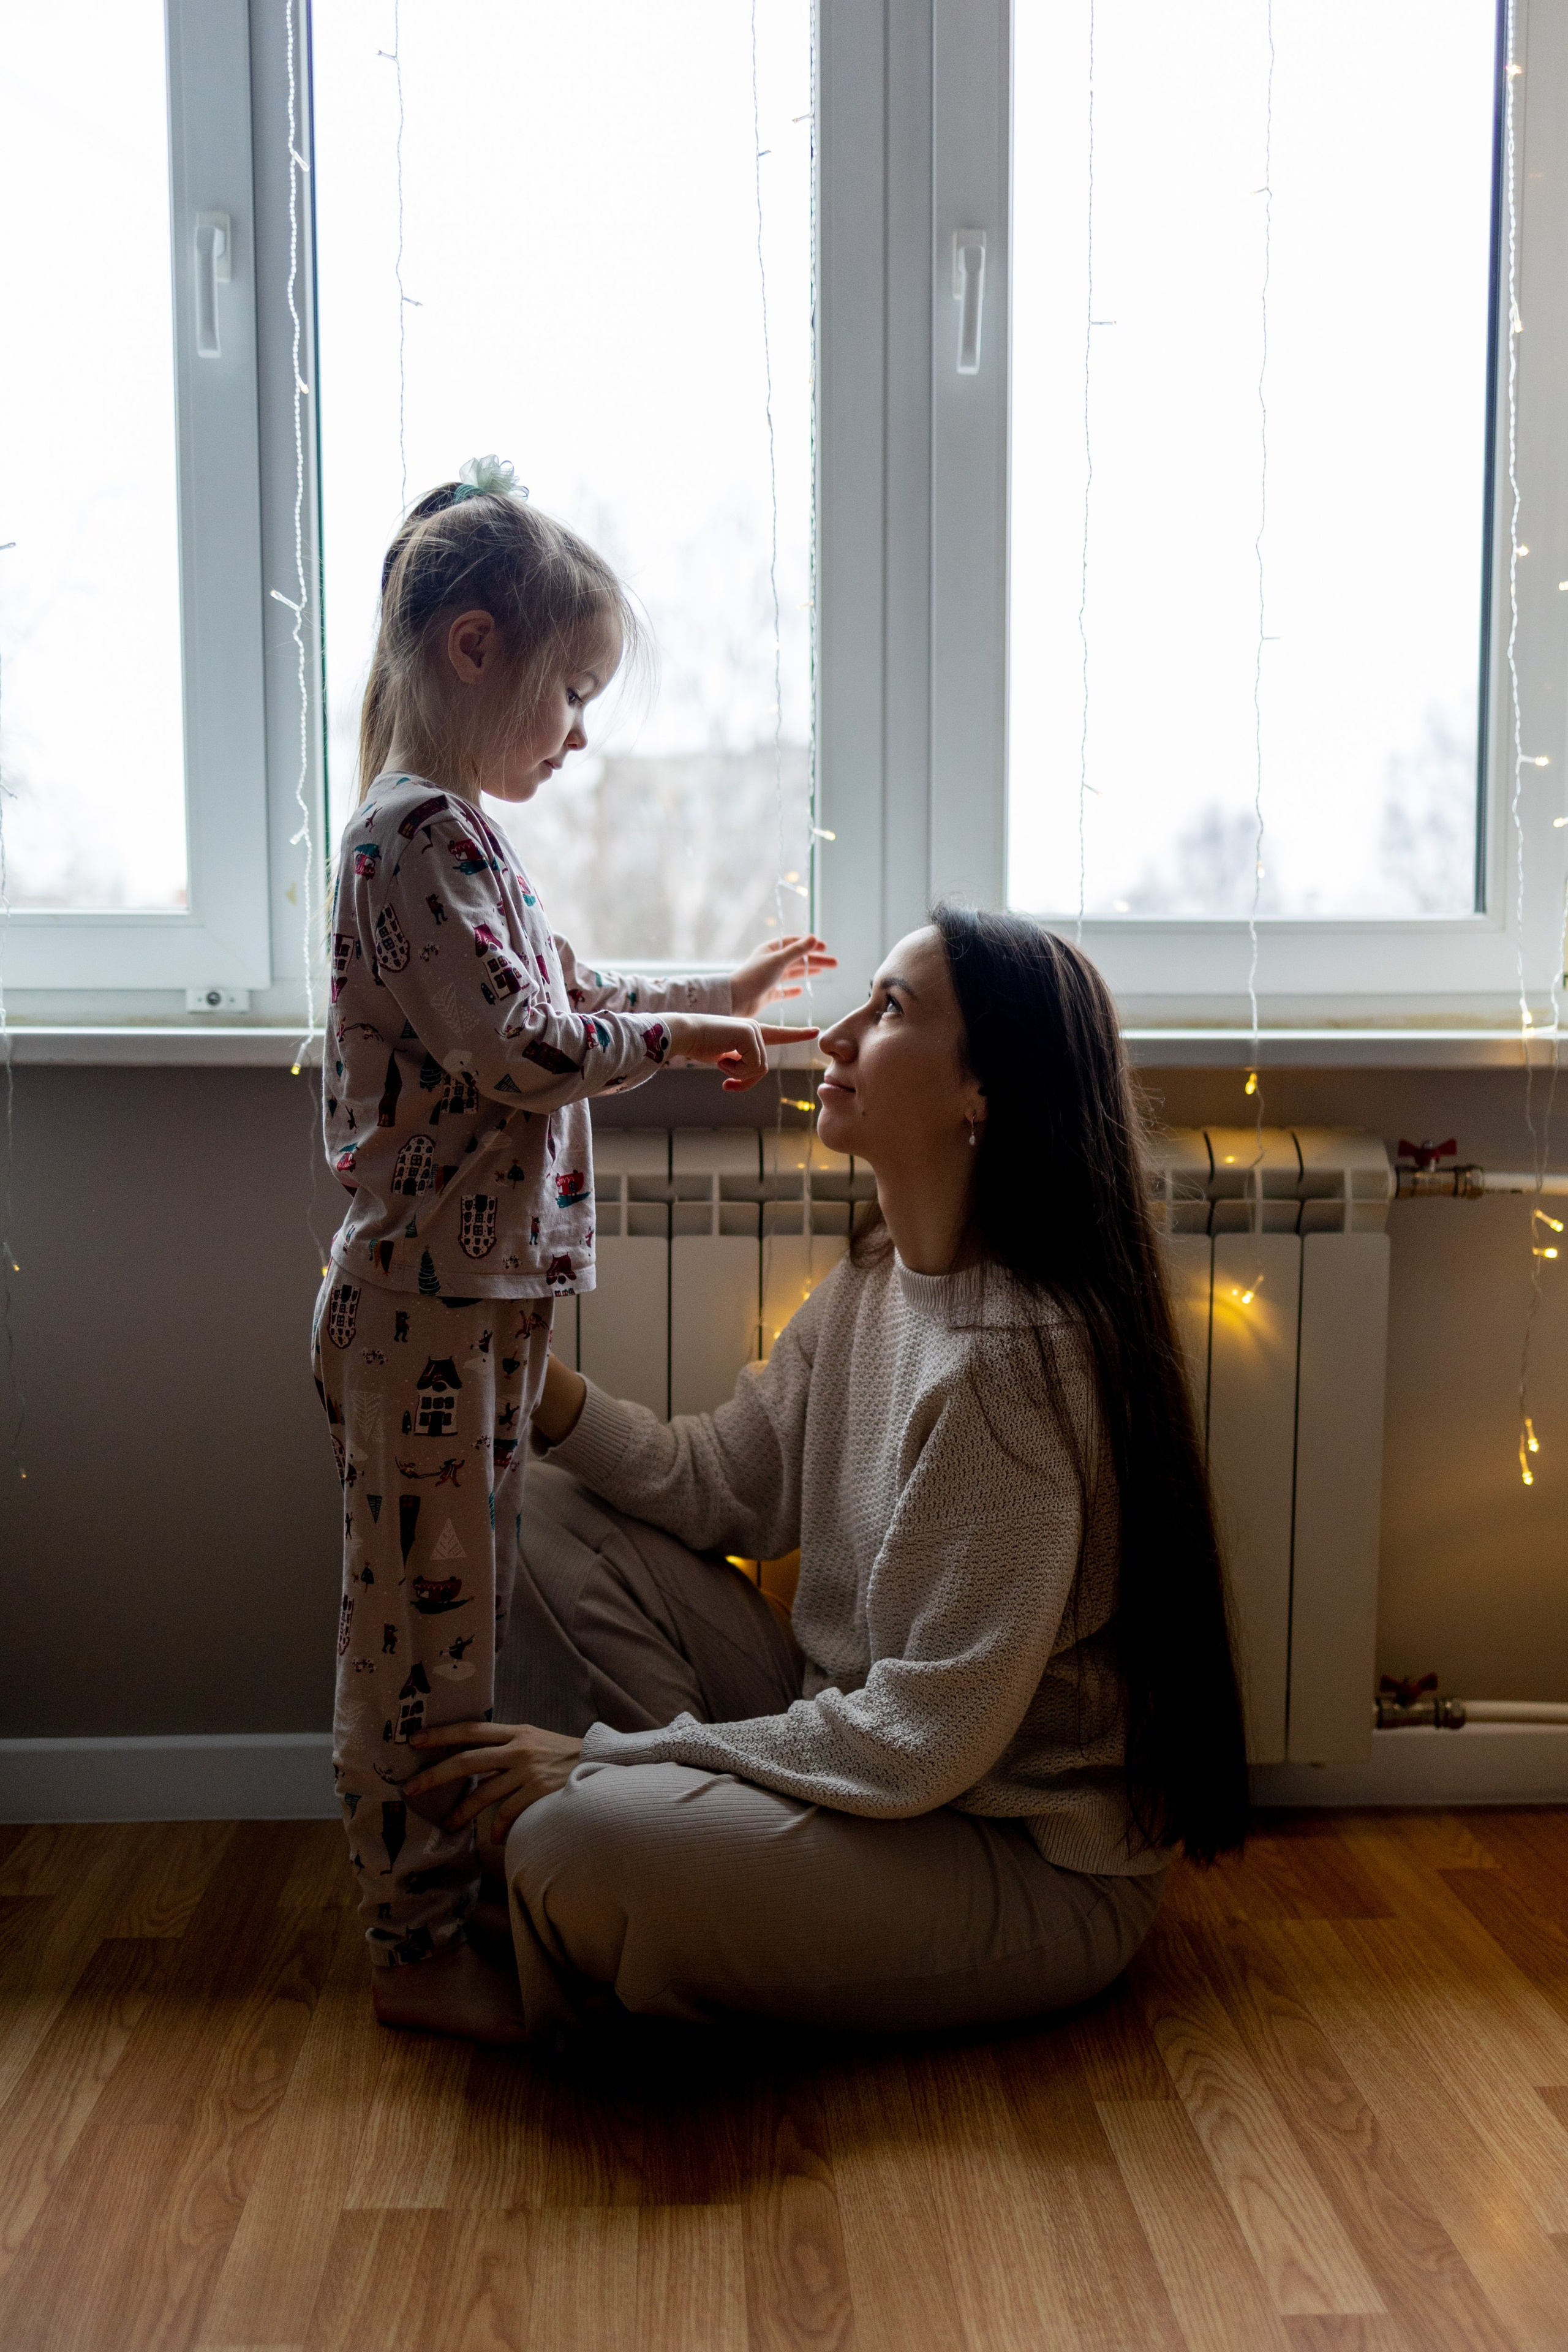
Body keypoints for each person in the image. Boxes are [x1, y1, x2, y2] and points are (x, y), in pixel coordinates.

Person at [406, 905, 1250, 2041]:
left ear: (980, 1095)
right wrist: (535, 1384)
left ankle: (620, 1860)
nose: (838, 1036)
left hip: (1005, 1849)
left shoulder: (1010, 1369)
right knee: (544, 1503)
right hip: (856, 1743)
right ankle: (649, 1846)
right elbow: (719, 1486)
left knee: (573, 1844)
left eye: (890, 1009)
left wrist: (613, 1760)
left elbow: (921, 1741)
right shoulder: (873, 1283)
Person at [312, 454, 830, 2040]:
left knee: (450, 1629)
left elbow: (565, 982)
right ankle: (415, 1953)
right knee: (419, 1646)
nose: (582, 732)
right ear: (478, 650)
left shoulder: (460, 841)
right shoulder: (417, 841)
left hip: (469, 1311)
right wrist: (678, 1036)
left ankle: (440, 1907)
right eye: (573, 691)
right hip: (423, 1311)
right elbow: (527, 1042)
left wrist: (710, 1002)